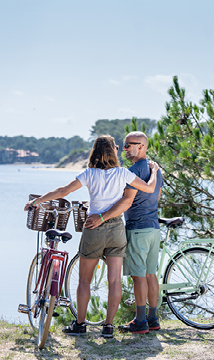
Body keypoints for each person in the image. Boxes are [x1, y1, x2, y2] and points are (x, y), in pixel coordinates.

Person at [23, 135, 160, 338]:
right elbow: (149, 188)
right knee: (114, 281)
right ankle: (108, 327)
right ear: (112, 152)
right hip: (116, 228)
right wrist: (155, 172)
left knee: (85, 280)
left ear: (95, 152)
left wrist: (38, 201)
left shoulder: (89, 174)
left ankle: (80, 324)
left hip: (93, 226)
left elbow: (62, 191)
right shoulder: (123, 173)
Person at [83, 131, 163, 334]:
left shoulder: (134, 170)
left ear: (141, 147)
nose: (125, 149)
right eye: (124, 145)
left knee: (139, 276)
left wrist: (102, 217)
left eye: (129, 145)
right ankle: (153, 319)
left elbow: (126, 201)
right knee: (151, 274)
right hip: (154, 228)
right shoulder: (157, 170)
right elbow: (156, 196)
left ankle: (140, 321)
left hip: (137, 228)